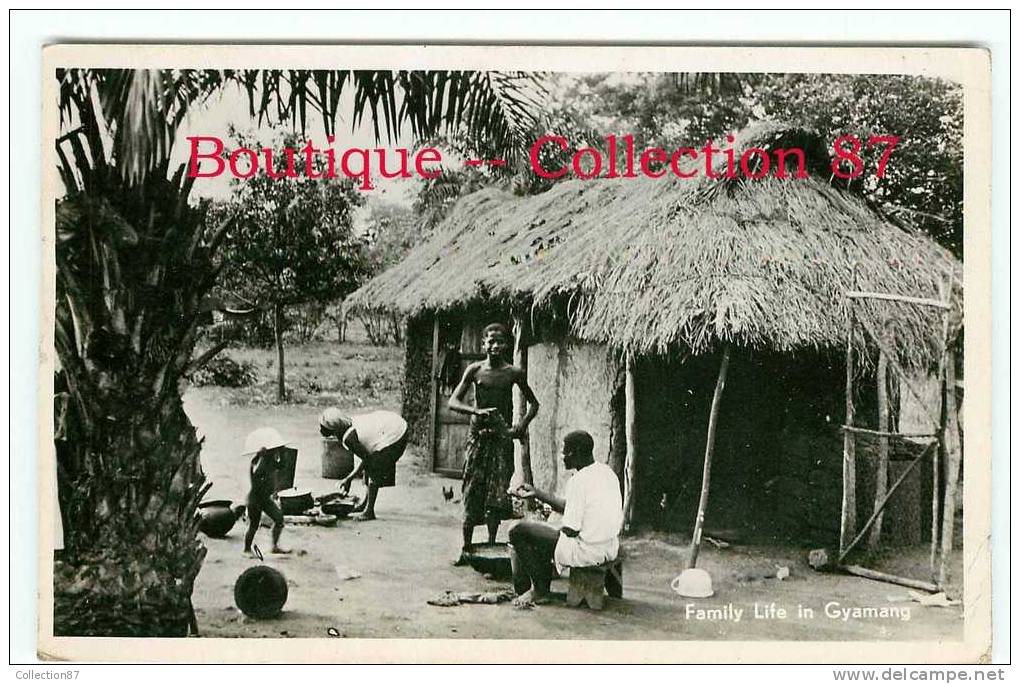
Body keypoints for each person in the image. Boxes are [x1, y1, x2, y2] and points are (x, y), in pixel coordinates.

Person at [448, 322, 539, 565]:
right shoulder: (475, 370)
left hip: (501, 440)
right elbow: (453, 402)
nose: (495, 346)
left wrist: (520, 426)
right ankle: (466, 549)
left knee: (496, 496)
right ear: (483, 344)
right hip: (477, 439)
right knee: (471, 490)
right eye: (491, 341)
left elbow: (534, 404)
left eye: (500, 341)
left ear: (506, 345)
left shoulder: (513, 373)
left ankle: (490, 549)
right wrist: (474, 412)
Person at [509, 430, 623, 606]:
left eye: (564, 451)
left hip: (586, 552)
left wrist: (543, 529)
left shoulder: (578, 482)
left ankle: (539, 590)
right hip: (609, 546)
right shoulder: (606, 472)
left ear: (576, 452)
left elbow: (570, 530)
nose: (562, 456)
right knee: (540, 529)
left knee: (518, 531)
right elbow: (573, 507)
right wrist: (538, 494)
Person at [319, 407, 409, 521]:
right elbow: (365, 456)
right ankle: (365, 504)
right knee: (371, 463)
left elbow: (367, 459)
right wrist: (349, 478)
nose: (320, 430)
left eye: (323, 427)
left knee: (374, 466)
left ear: (333, 428)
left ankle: (369, 511)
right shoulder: (348, 425)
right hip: (394, 424)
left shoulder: (349, 437)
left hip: (396, 433)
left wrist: (349, 478)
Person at [242, 427, 292, 557]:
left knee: (279, 519)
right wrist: (261, 456)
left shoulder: (270, 459)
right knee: (254, 524)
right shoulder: (259, 460)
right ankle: (246, 549)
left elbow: (282, 466)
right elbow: (257, 472)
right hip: (255, 498)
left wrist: (282, 452)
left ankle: (274, 546)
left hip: (264, 498)